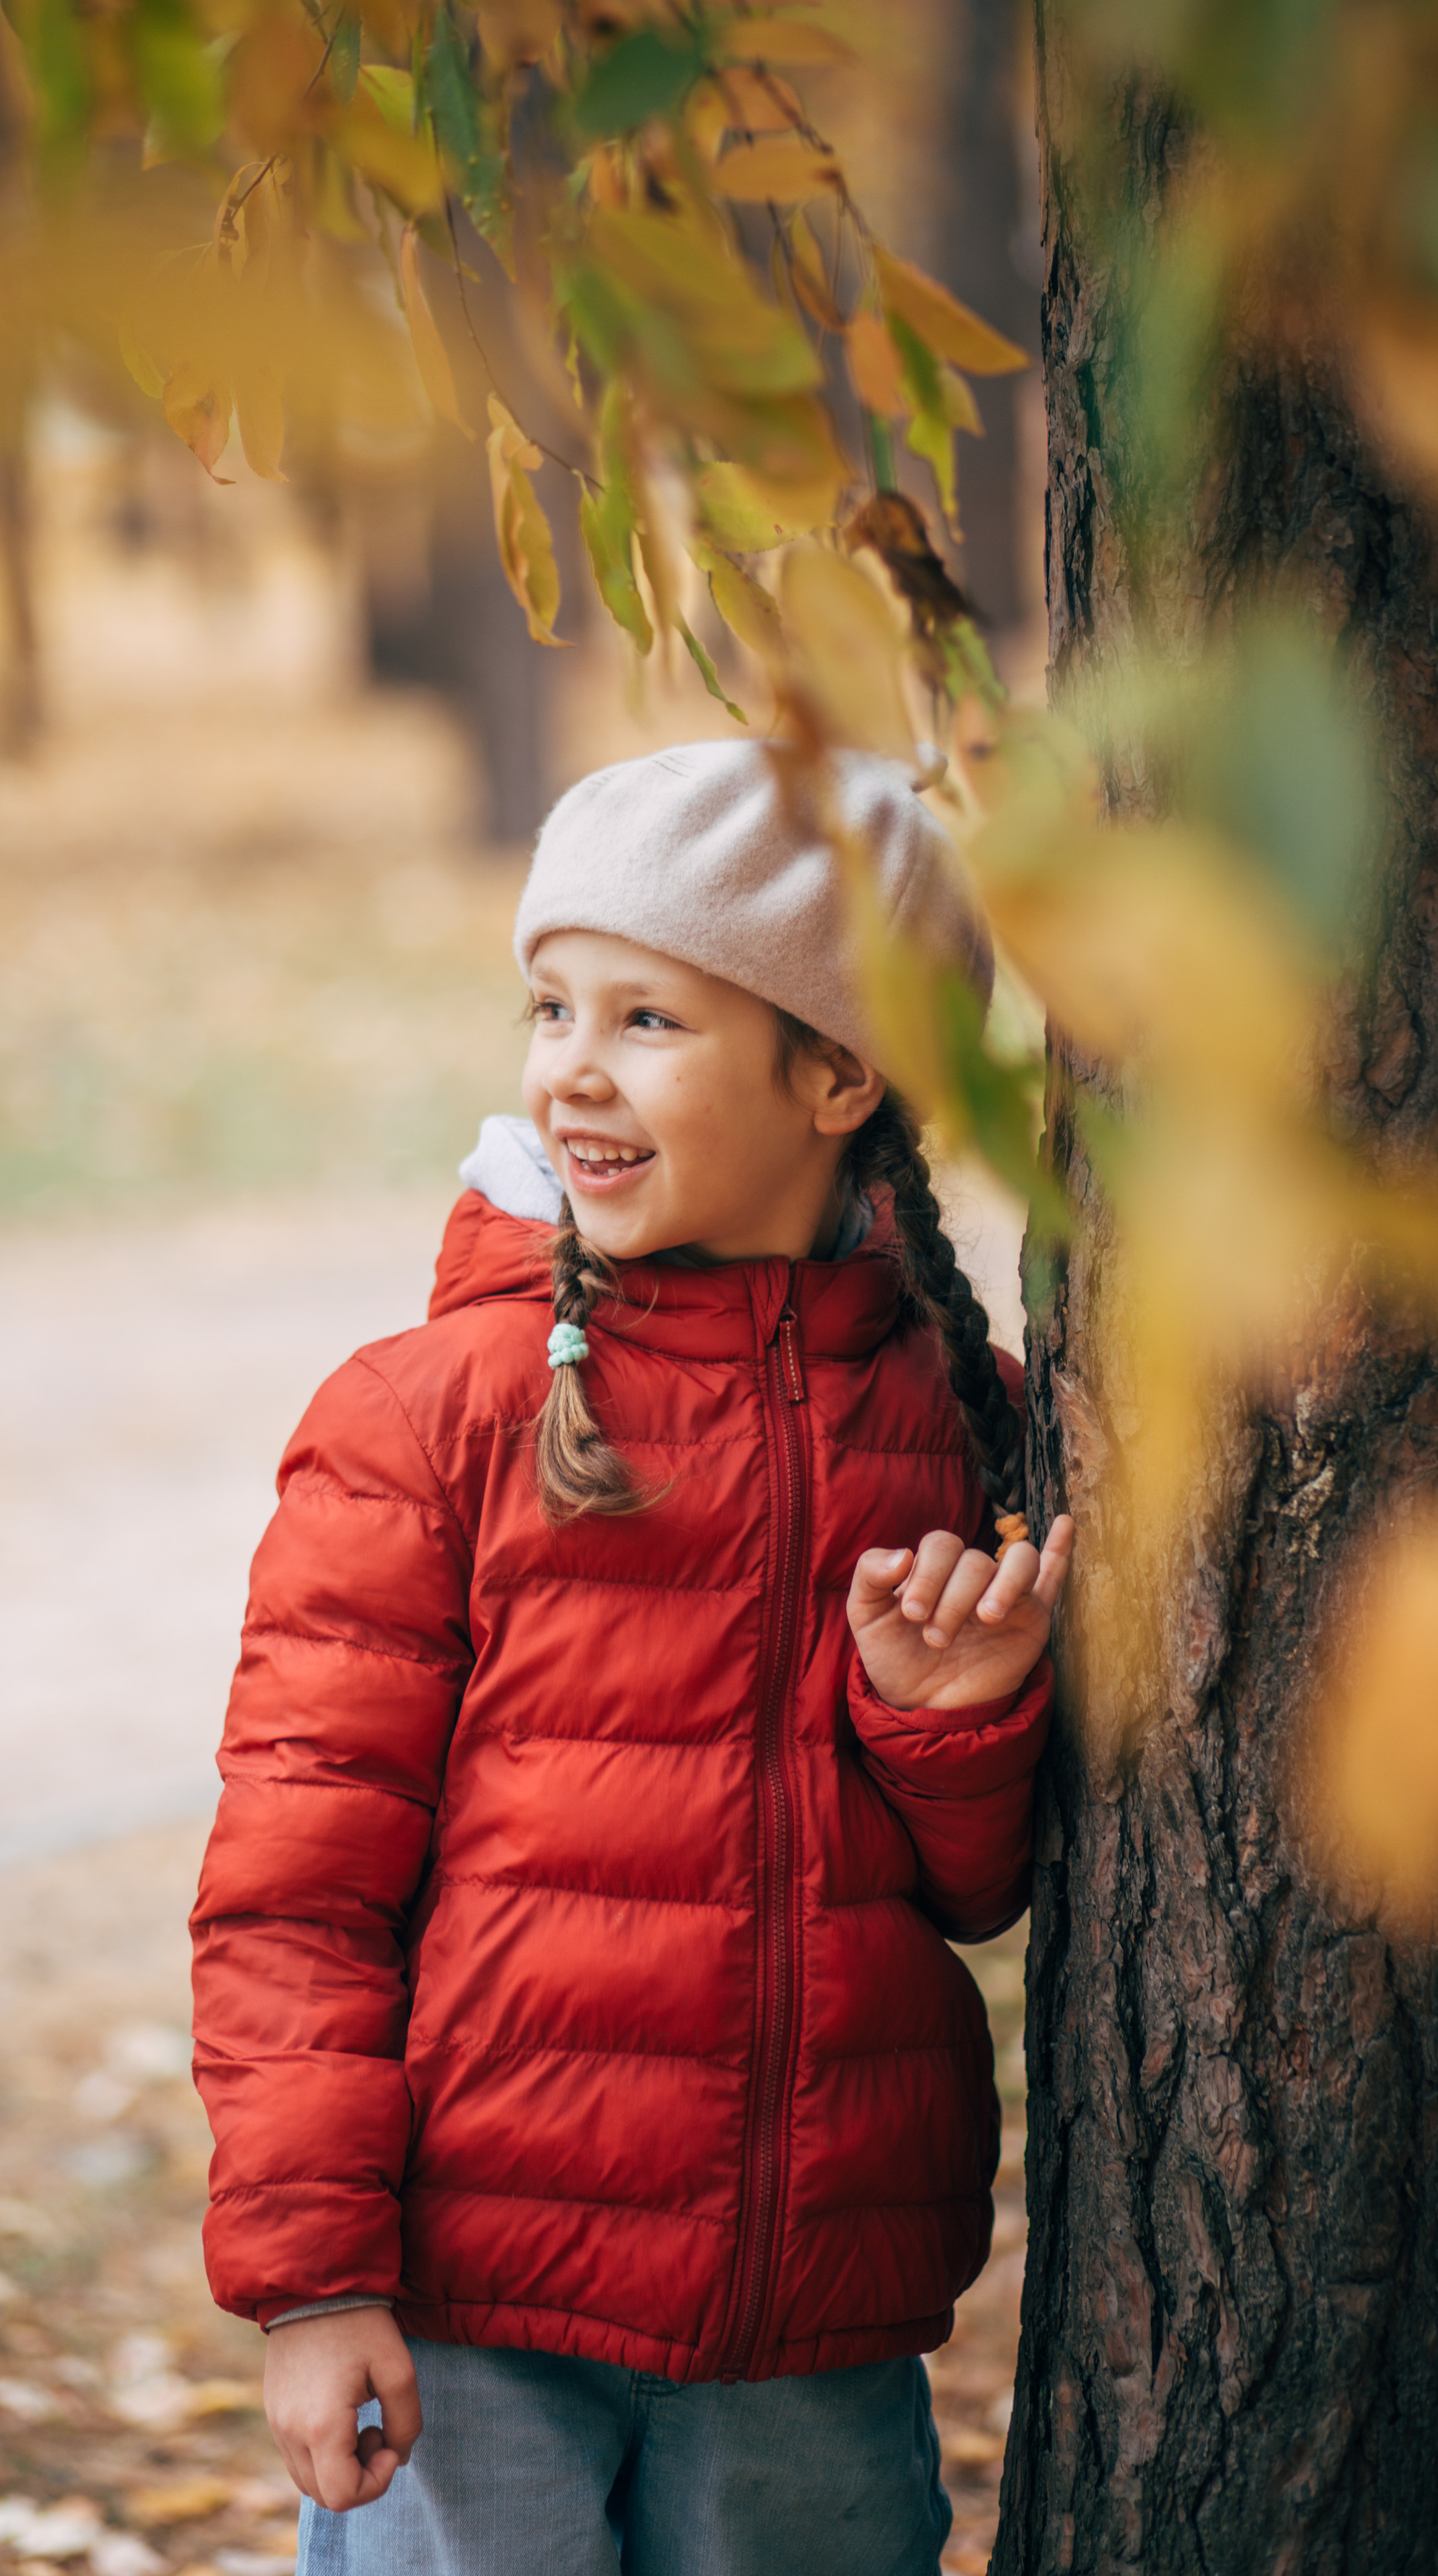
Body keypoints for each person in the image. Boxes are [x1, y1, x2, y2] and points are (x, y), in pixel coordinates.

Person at [190, 741, 1074, 2576]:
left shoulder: (965, 1425)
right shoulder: (430, 1420)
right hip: (470, 2319)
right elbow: (295, 1894)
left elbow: (975, 1896)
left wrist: (947, 1731)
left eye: (648, 1017)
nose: (569, 1068)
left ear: (842, 1070)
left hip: (814, 2330)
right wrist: (313, 2282)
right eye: (550, 1003)